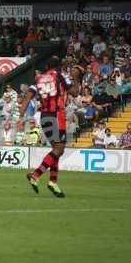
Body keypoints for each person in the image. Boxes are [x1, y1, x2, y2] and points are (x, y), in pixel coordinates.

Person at [19, 56, 80, 198]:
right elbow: (75, 93)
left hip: (44, 116)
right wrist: (76, 77)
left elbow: (27, 97)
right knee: (59, 149)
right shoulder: (59, 76)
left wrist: (20, 117)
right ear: (58, 67)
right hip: (56, 116)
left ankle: (53, 182)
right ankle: (36, 174)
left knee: (56, 149)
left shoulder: (39, 79)